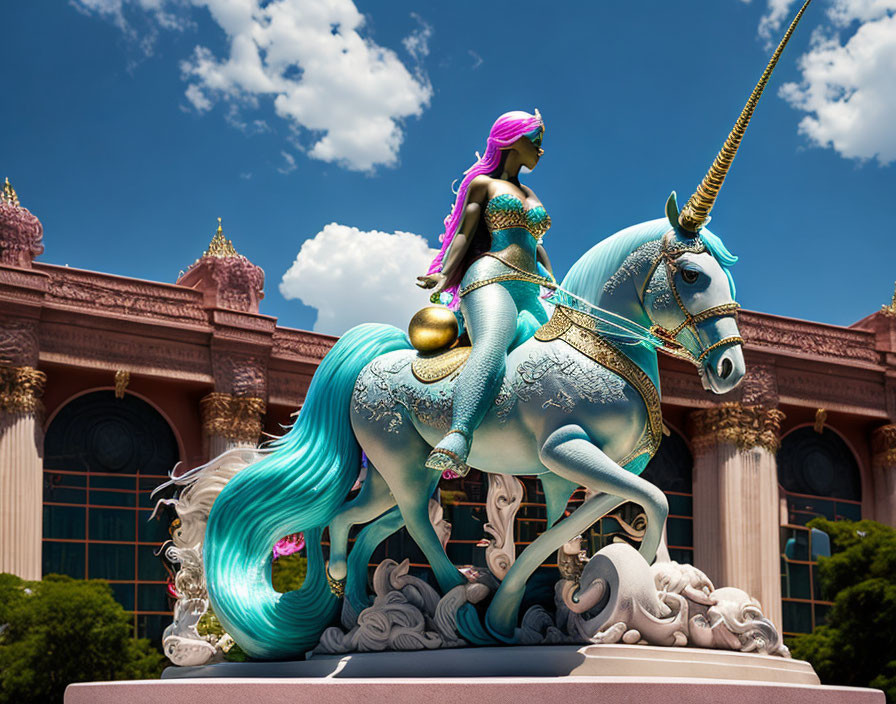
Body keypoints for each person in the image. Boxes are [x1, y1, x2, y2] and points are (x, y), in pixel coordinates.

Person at [416, 110, 555, 477]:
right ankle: (458, 436)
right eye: (536, 140)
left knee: (561, 354)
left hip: (530, 288)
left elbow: (534, 243)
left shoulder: (531, 194)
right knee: (493, 342)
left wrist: (553, 280)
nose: (541, 149)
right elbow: (464, 232)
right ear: (513, 139)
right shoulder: (484, 186)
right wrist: (444, 274)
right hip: (491, 277)